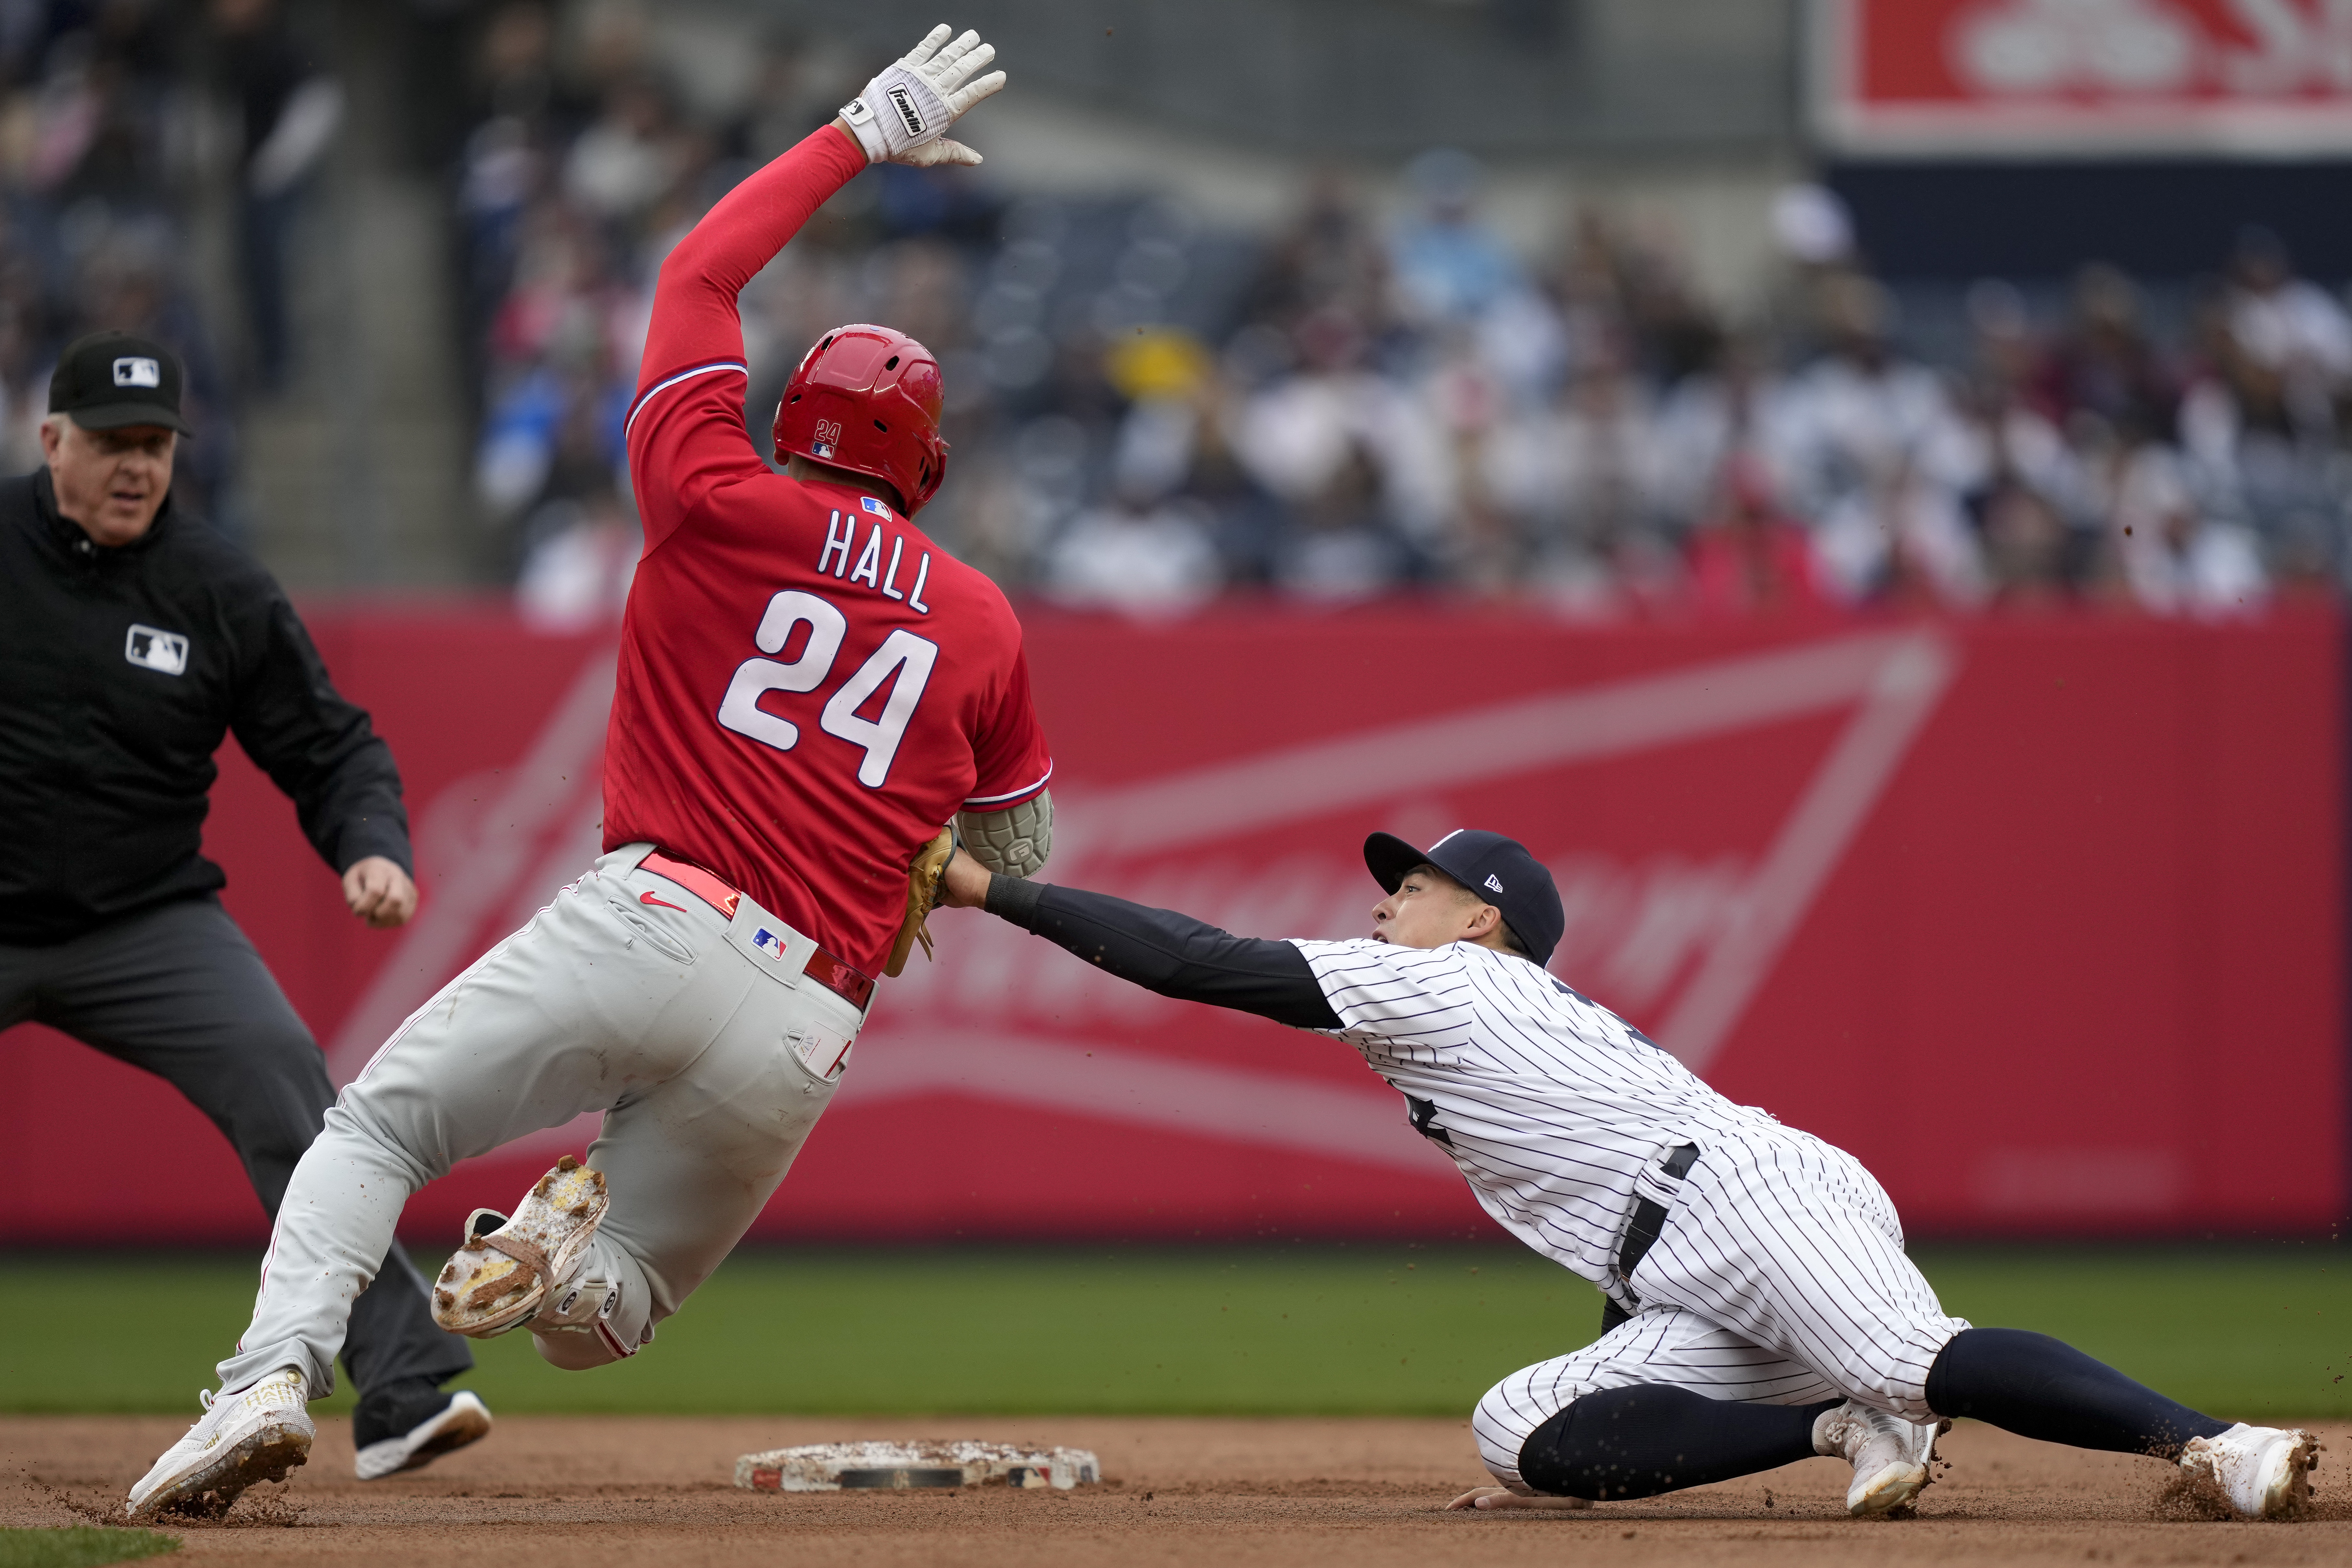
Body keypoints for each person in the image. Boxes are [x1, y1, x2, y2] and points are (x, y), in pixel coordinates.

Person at [129, 25, 1046, 1519]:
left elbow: (697, 271)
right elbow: (1023, 853)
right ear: (924, 465)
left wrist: (860, 133)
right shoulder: (984, 615)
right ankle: (558, 1249)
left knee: (370, 1129)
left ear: (791, 420)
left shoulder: (708, 487)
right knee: (601, 1323)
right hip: (808, 1015)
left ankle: (266, 1382)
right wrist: (930, 865)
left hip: (658, 915)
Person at [934, 827, 2320, 1521]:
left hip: (1744, 1188)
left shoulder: (1448, 984)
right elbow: (1620, 1230)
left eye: (1410, 886)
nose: (1381, 903)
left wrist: (986, 889)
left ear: (1480, 923)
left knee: (1909, 1347)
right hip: (1688, 1245)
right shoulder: (1485, 1005)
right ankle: (1839, 1427)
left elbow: (1195, 961)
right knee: (1522, 1431)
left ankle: (2212, 1445)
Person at [0, 331, 486, 1485]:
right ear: (50, 440)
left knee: (287, 1080)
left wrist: (370, 846)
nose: (137, 466)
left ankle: (404, 1384)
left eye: (157, 444)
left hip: (143, 919)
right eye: (113, 442)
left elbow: (333, 748)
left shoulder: (215, 588)